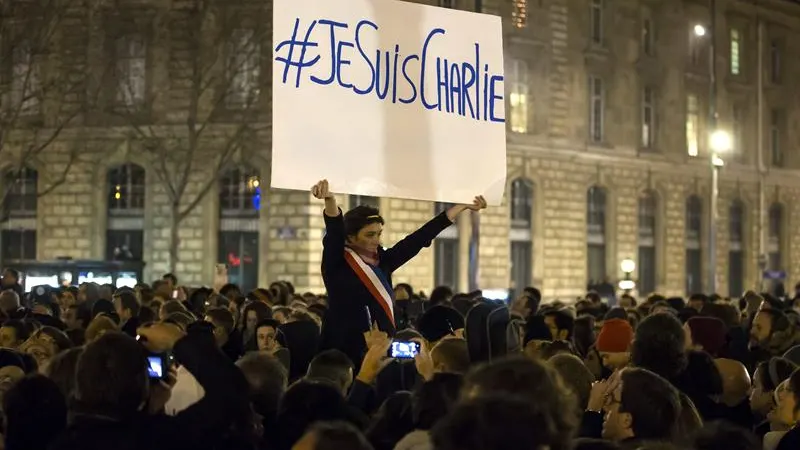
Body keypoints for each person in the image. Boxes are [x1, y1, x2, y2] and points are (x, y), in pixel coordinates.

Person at [311, 179, 486, 367]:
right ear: (350, 237)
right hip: (342, 356)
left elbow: (418, 239)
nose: (376, 241)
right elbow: (334, 233)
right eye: (370, 235)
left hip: (383, 354)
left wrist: (459, 208)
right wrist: (330, 200)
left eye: (379, 234)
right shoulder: (337, 264)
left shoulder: (382, 262)